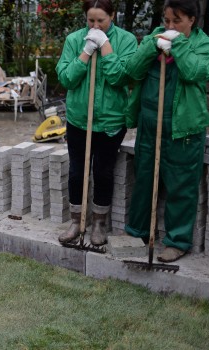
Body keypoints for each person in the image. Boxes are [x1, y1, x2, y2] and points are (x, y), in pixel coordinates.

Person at [124, 0, 209, 262]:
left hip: (183, 131)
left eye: (177, 21)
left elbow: (194, 73)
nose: (170, 26)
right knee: (144, 180)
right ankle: (138, 231)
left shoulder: (204, 45)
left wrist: (178, 44)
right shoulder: (155, 37)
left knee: (180, 187)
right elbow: (132, 71)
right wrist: (152, 47)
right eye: (167, 21)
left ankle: (177, 241)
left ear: (192, 20)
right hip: (149, 125)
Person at [55, 0, 137, 246]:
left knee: (102, 171)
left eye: (101, 20)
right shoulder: (74, 40)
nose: (95, 25)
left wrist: (106, 47)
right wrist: (86, 52)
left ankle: (99, 223)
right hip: (79, 119)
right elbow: (67, 78)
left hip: (111, 120)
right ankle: (77, 221)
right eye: (91, 20)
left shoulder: (126, 40)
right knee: (77, 171)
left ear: (112, 15)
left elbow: (121, 77)